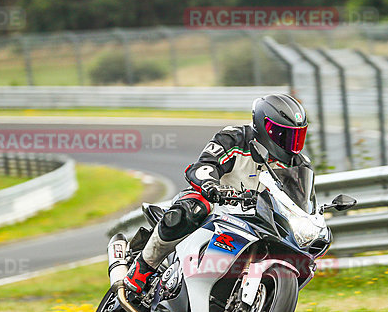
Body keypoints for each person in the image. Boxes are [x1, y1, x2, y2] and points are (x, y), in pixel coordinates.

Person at [122, 93, 310, 294]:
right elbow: (204, 166)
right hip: (218, 205)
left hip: (259, 220)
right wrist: (211, 186)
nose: (290, 143)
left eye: (296, 136)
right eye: (284, 135)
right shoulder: (235, 137)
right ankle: (143, 267)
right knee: (194, 206)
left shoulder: (298, 163)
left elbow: (300, 202)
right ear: (264, 126)